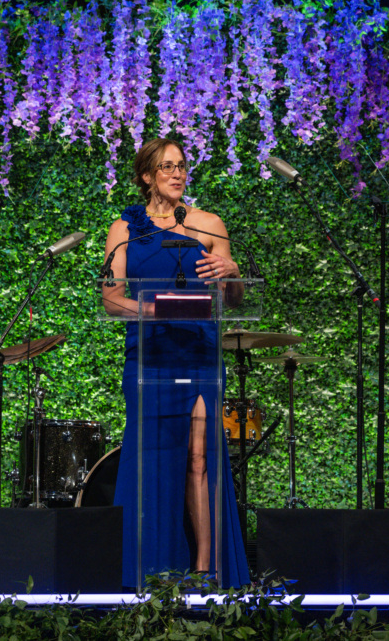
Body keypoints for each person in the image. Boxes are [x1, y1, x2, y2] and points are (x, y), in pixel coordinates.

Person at [102, 137, 250, 589]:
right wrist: (160, 310)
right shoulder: (123, 228)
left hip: (199, 353)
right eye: (167, 167)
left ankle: (205, 570)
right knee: (151, 461)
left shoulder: (208, 224)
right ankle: (147, 570)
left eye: (182, 166)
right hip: (150, 356)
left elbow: (236, 301)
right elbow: (112, 300)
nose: (178, 174)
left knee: (199, 459)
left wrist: (233, 274)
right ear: (147, 175)